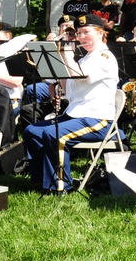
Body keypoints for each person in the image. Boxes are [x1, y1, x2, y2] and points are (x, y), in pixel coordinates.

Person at [22, 14, 119, 194]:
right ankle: (41, 179)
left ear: (100, 33)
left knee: (54, 135)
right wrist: (56, 60)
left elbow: (81, 75)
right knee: (32, 131)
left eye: (86, 32)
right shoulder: (84, 58)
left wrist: (67, 54)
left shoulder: (104, 57)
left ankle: (60, 186)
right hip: (76, 114)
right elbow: (67, 90)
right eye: (79, 33)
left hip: (97, 119)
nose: (82, 37)